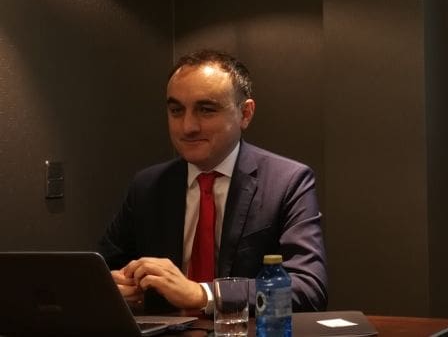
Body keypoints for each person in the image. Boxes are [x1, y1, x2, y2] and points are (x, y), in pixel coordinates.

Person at [98, 49, 327, 313]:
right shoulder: (147, 186)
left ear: (245, 114)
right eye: (176, 110)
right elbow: (100, 270)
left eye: (206, 110)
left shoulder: (287, 182)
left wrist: (203, 295)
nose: (188, 127)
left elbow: (308, 288)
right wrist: (115, 288)